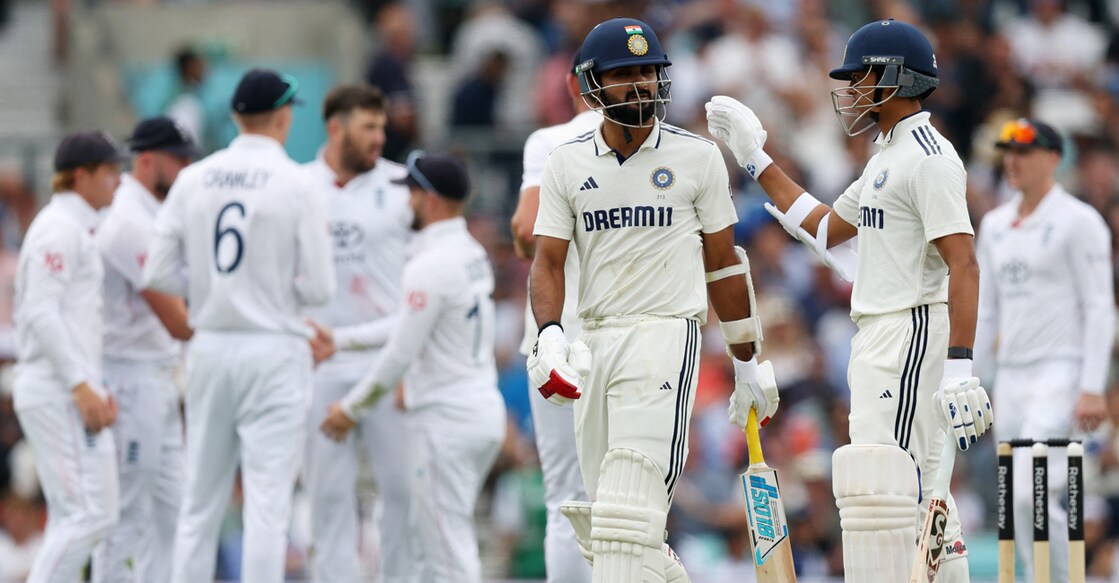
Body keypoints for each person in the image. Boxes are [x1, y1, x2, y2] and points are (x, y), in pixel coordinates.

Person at [705, 19, 994, 582]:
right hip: (882, 334)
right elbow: (824, 226)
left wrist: (960, 366)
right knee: (915, 499)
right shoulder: (887, 155)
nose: (852, 90)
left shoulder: (930, 157)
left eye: (861, 76)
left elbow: (964, 261)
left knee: (891, 490)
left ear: (894, 78)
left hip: (911, 333)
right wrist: (755, 158)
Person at [529, 18, 777, 582]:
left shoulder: (697, 158)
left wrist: (746, 363)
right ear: (594, 86)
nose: (640, 84)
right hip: (593, 339)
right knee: (607, 532)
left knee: (626, 515)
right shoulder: (567, 163)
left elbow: (723, 264)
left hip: (666, 333)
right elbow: (546, 262)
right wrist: (549, 335)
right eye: (625, 74)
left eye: (649, 72)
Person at [142, 68, 336, 583]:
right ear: (282, 116)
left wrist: (211, 286)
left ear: (234, 117)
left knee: (199, 504)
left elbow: (157, 271)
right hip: (272, 348)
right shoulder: (297, 182)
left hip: (209, 346)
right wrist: (269, 290)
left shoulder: (192, 177)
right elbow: (320, 288)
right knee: (267, 506)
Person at [319, 151, 506, 583]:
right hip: (476, 412)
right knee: (434, 545)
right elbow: (410, 324)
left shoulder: (430, 265)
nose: (407, 203)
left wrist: (352, 408)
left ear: (431, 200)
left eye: (413, 194)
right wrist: (341, 340)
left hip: (447, 421)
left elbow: (399, 355)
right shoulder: (469, 253)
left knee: (447, 550)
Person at [975, 118, 1113, 583]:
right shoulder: (994, 225)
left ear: (1053, 159)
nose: (1012, 161)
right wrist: (975, 380)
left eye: (1025, 152)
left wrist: (1092, 388)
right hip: (1011, 378)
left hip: (1060, 373)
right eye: (1007, 152)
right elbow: (987, 310)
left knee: (1028, 492)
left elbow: (1099, 306)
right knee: (1014, 504)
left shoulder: (1079, 221)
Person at [300, 84, 419, 583]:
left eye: (382, 127)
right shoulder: (298, 186)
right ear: (335, 128)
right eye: (368, 127)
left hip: (388, 362)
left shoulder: (402, 186)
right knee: (327, 502)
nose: (379, 137)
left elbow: (424, 278)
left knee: (404, 496)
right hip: (320, 366)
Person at [13, 130, 125, 581]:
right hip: (57, 389)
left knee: (72, 518)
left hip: (65, 387)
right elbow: (41, 310)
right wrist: (81, 385)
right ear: (81, 176)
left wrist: (90, 383)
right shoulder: (59, 228)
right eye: (111, 171)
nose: (119, 180)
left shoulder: (72, 226)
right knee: (92, 515)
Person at [91, 116, 198, 583]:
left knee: (173, 514)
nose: (184, 169)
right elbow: (177, 320)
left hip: (154, 378)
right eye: (177, 159)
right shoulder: (129, 222)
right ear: (147, 159)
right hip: (130, 378)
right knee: (128, 515)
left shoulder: (154, 214)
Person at [508, 50, 600, 583]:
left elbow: (525, 229)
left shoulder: (549, 141)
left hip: (557, 331)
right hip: (634, 332)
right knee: (635, 494)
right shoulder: (667, 140)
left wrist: (545, 248)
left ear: (572, 85)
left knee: (568, 498)